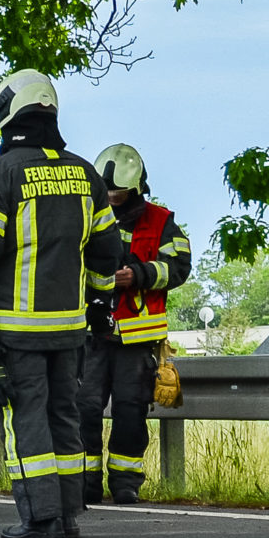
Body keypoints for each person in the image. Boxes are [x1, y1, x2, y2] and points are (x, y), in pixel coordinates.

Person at [0, 69, 121, 538]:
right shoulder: (85, 174)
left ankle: (39, 520)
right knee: (64, 415)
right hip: (69, 329)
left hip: (18, 330)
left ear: (9, 111)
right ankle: (66, 516)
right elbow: (106, 254)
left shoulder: (2, 175)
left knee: (27, 422)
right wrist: (101, 304)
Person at [79, 143, 192, 504]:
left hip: (137, 339)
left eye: (118, 192)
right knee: (85, 409)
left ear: (137, 186)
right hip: (92, 334)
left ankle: (126, 482)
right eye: (106, 191)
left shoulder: (161, 221)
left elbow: (179, 267)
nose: (111, 197)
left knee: (130, 411)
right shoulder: (86, 216)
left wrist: (139, 274)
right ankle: (86, 481)